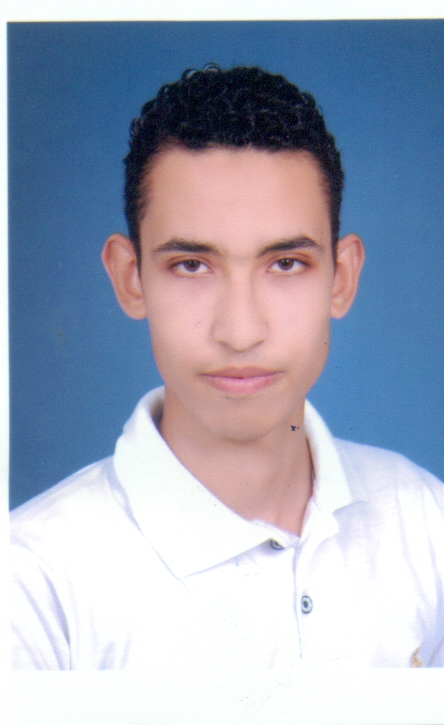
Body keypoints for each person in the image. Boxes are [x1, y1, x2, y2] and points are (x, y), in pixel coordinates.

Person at [10, 65, 444, 675]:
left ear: (341, 279)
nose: (240, 331)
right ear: (130, 279)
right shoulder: (31, 584)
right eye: (191, 265)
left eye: (286, 264)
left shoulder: (425, 522)